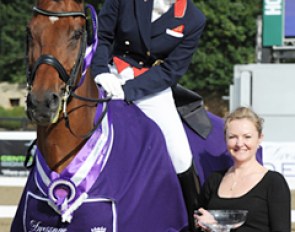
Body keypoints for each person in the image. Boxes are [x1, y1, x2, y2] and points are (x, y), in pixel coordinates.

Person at [90, 0, 206, 230]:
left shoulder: (193, 19)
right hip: (110, 73)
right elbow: (100, 35)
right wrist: (101, 71)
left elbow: (171, 70)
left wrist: (129, 90)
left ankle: (194, 221)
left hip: (151, 85)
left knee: (181, 156)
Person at [194, 107, 291, 231]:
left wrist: (217, 228)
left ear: (260, 138)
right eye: (233, 137)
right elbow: (197, 221)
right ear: (225, 139)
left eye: (247, 137)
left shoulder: (273, 182)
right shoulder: (214, 180)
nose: (239, 143)